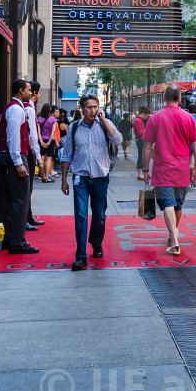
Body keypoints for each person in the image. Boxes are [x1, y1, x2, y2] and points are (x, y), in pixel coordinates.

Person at [59, 94, 122, 271]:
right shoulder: (74, 127)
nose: (93, 110)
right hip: (81, 177)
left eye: (96, 107)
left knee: (100, 215)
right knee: (81, 215)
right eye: (89, 107)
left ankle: (96, 243)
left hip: (101, 177)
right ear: (82, 108)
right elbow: (67, 154)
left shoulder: (104, 125)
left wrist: (105, 121)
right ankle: (81, 256)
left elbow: (117, 140)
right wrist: (64, 180)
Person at [141, 85, 196, 256]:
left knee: (168, 204)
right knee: (177, 204)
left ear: (163, 98)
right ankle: (173, 235)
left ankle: (174, 241)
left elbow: (147, 146)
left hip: (162, 170)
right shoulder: (189, 118)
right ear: (179, 98)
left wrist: (145, 169)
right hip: (182, 170)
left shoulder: (155, 118)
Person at [0, 79, 37, 254]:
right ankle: (17, 242)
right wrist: (19, 162)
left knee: (10, 201)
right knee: (20, 200)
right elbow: (13, 138)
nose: (31, 93)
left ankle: (9, 239)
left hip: (11, 157)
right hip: (15, 156)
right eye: (29, 90)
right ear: (21, 91)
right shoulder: (16, 109)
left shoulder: (13, 108)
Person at [24, 81, 44, 230]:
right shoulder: (29, 110)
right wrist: (38, 156)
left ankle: (28, 217)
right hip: (28, 152)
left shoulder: (25, 107)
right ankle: (25, 219)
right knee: (27, 188)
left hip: (27, 151)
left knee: (27, 188)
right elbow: (32, 135)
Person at [37, 103, 56, 183]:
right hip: (50, 140)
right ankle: (47, 177)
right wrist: (49, 141)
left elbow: (38, 132)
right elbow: (53, 131)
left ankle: (43, 176)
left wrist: (41, 141)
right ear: (50, 110)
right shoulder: (53, 119)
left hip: (41, 140)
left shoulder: (39, 119)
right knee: (48, 159)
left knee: (41, 159)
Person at [134, 107, 149, 179]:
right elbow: (140, 133)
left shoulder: (138, 120)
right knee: (142, 157)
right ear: (143, 114)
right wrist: (146, 130)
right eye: (146, 116)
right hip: (141, 140)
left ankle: (141, 173)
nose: (147, 117)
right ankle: (140, 173)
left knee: (142, 156)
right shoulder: (138, 121)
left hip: (140, 140)